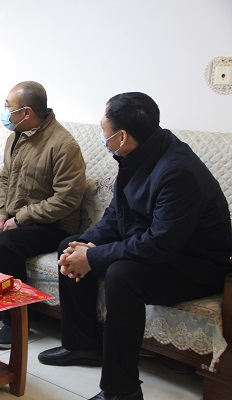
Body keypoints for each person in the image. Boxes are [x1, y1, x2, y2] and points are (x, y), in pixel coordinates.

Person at [38, 92, 232, 400]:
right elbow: (116, 216)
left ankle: (122, 390)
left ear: (122, 136)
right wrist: (86, 245)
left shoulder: (177, 170)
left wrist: (94, 256)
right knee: (70, 246)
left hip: (194, 264)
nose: (102, 134)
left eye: (104, 129)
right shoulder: (138, 155)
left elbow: (160, 244)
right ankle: (83, 345)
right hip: (160, 247)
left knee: (122, 275)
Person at [0, 81, 86, 348]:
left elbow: (66, 199)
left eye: (8, 107)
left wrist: (20, 219)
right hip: (16, 216)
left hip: (53, 225)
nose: (5, 112)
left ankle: (16, 321)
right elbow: (5, 180)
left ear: (26, 112)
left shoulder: (63, 144)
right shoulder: (15, 135)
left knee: (5, 243)